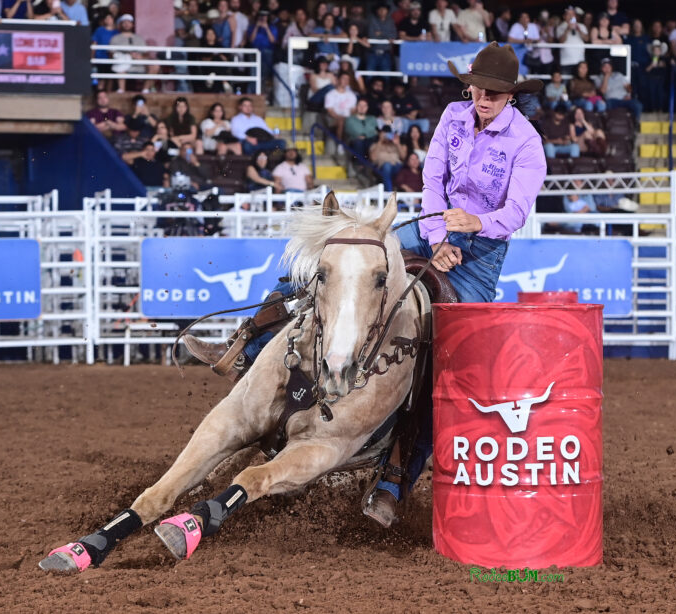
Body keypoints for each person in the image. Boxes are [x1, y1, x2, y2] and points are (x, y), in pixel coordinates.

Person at [183, 44, 547, 529]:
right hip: (431, 227)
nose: (482, 96)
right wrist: (439, 237)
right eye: (478, 87)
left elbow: (516, 212)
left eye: (494, 92)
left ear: (510, 97)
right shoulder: (454, 116)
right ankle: (247, 345)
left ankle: (396, 477)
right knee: (340, 255)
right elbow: (433, 178)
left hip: (481, 254)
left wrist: (475, 223)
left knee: (454, 364)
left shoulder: (526, 142)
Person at [324, 72, 358, 143]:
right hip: (333, 118)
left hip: (348, 118)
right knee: (341, 121)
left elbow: (353, 110)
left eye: (347, 79)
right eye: (344, 78)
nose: (346, 81)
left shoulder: (352, 95)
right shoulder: (330, 94)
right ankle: (340, 144)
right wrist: (340, 117)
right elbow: (330, 111)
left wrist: (349, 118)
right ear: (339, 80)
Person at [369, 125, 406, 191]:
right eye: (384, 134)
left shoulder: (395, 145)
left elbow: (403, 157)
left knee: (404, 168)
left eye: (388, 133)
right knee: (387, 166)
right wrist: (380, 141)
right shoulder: (375, 145)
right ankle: (389, 192)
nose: (386, 136)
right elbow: (373, 158)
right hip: (381, 168)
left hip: (396, 166)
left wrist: (397, 144)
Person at [366, 4, 397, 76]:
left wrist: (381, 33)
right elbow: (372, 36)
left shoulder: (391, 21)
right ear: (376, 11)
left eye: (384, 9)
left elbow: (393, 35)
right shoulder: (372, 20)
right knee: (369, 74)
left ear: (387, 11)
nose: (382, 11)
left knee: (386, 74)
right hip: (373, 52)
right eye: (380, 9)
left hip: (386, 53)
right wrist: (387, 36)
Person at [557, 6, 588, 75]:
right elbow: (561, 41)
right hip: (566, 61)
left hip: (580, 61)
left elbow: (586, 39)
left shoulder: (581, 26)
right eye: (569, 14)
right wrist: (567, 29)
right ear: (564, 16)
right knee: (566, 83)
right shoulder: (560, 27)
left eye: (573, 14)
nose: (571, 16)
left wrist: (579, 30)